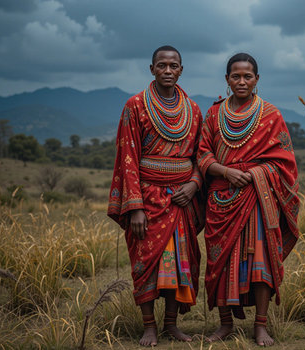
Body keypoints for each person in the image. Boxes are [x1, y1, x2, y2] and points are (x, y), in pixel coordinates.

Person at [197, 53, 300, 346]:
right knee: (221, 262)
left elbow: (285, 163)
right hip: (221, 199)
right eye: (235, 76)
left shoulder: (270, 114)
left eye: (248, 76)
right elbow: (202, 154)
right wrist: (226, 171)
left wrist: (255, 173)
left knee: (260, 260)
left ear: (257, 79)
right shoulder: (214, 114)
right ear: (227, 80)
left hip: (257, 198)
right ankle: (225, 325)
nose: (241, 81)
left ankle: (261, 326)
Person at [108, 45, 204, 347]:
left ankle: (171, 325)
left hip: (182, 199)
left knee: (180, 262)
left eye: (173, 66)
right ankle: (149, 326)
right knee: (147, 262)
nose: (167, 71)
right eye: (161, 65)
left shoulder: (194, 109)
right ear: (152, 69)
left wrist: (194, 184)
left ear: (181, 70)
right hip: (147, 200)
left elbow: (202, 156)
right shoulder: (135, 106)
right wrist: (134, 207)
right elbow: (128, 158)